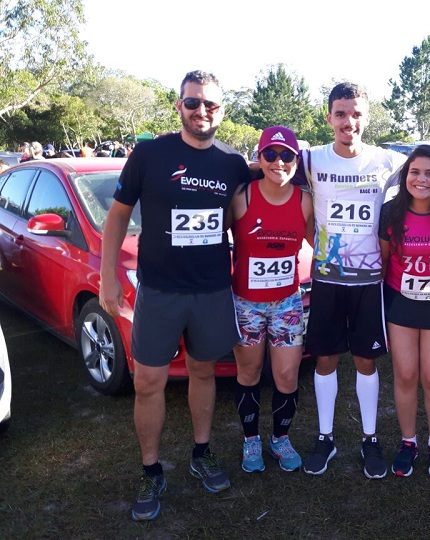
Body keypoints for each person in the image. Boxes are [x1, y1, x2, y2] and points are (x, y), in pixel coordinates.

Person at [99, 70, 250, 521]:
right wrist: (109, 279)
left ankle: (201, 453)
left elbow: (244, 225)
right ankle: (151, 470)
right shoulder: (149, 154)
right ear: (179, 105)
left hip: (210, 290)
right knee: (148, 382)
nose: (202, 111)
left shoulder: (232, 163)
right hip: (160, 291)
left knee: (203, 372)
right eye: (193, 103)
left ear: (222, 110)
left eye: (211, 104)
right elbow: (117, 220)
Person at [298, 82, 406, 479]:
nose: (349, 121)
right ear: (329, 117)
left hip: (368, 284)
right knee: (325, 359)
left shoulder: (389, 160)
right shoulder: (311, 159)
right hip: (327, 279)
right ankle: (325, 438)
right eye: (341, 113)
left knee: (365, 360)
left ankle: (370, 439)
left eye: (356, 113)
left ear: (366, 117)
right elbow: (263, 165)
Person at [230, 125, 314, 474]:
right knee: (248, 373)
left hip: (287, 304)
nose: (279, 162)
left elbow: (321, 248)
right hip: (246, 303)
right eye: (271, 154)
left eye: (287, 156)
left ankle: (280, 438)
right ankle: (251, 441)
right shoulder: (241, 197)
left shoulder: (305, 200)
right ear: (259, 158)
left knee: (287, 376)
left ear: (296, 160)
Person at [379, 145, 430, 479]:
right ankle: (408, 442)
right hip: (400, 302)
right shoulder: (390, 212)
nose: (421, 179)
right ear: (406, 176)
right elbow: (384, 261)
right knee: (405, 374)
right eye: (415, 172)